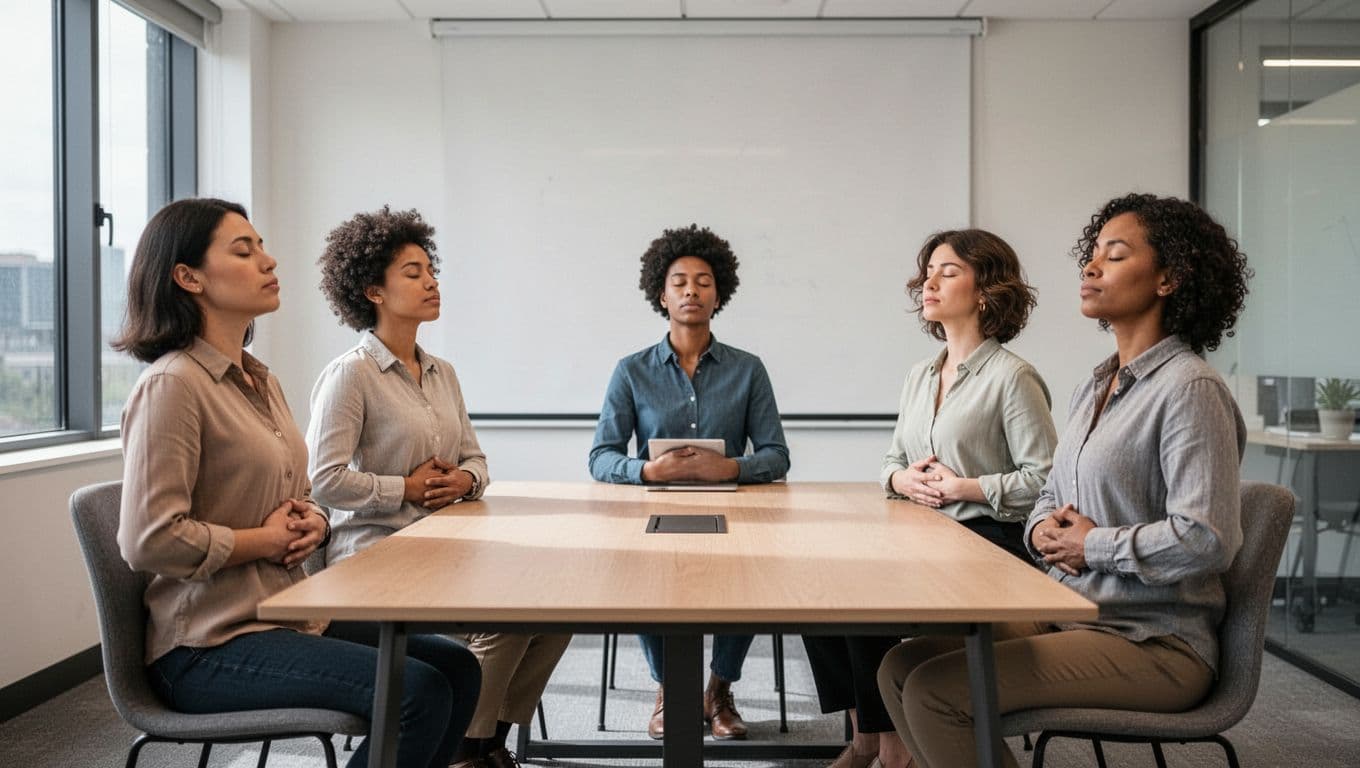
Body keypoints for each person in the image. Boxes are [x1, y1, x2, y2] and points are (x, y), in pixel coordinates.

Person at [877, 193, 1253, 768]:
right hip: (1072, 614)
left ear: (1170, 278)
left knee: (936, 693)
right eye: (1093, 253)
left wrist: (1090, 544)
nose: (1091, 267)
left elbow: (1208, 538)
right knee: (899, 667)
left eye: (1116, 255)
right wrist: (1041, 536)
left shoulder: (1188, 389)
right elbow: (1049, 494)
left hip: (1152, 642)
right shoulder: (1096, 384)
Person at [114, 198, 481, 768]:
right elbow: (149, 540)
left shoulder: (259, 381)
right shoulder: (173, 385)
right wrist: (265, 541)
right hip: (208, 643)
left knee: (457, 666)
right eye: (244, 250)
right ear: (188, 277)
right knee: (418, 693)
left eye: (261, 246)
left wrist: (309, 518)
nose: (268, 260)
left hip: (285, 613)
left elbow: (303, 491)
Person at [307, 206, 569, 768]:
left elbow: (475, 458)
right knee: (506, 620)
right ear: (373, 289)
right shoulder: (350, 375)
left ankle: (483, 741)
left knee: (557, 608)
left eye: (431, 269)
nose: (431, 281)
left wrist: (463, 479)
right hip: (373, 561)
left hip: (444, 550)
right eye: (412, 271)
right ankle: (469, 750)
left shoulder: (442, 371)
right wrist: (403, 487)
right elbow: (323, 481)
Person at [805, 229, 1057, 768]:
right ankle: (867, 738)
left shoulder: (1013, 378)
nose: (929, 282)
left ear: (986, 290)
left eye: (947, 272)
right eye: (928, 272)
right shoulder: (921, 375)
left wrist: (965, 487)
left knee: (866, 599)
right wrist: (901, 482)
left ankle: (894, 753)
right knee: (820, 590)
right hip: (923, 534)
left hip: (989, 544)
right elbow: (892, 460)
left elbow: (1046, 481)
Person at [588, 223, 791, 741]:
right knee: (641, 572)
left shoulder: (749, 370)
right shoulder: (631, 371)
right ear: (662, 293)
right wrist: (647, 472)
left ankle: (719, 688)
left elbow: (776, 455)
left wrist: (733, 469)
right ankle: (669, 690)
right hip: (652, 514)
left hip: (737, 514)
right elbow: (601, 458)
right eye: (679, 282)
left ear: (719, 293)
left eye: (703, 281)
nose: (691, 291)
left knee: (750, 573)